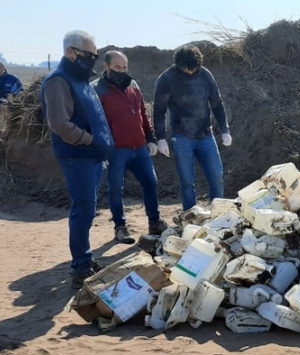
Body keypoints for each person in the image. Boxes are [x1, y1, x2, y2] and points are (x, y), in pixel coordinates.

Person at [41, 30, 114, 290]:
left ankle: (85, 260)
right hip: (77, 156)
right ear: (71, 52)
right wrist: (89, 140)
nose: (93, 59)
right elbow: (60, 123)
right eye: (89, 55)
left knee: (88, 209)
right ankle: (80, 269)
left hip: (91, 156)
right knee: (83, 209)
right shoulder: (58, 81)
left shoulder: (80, 78)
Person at [92, 50, 167, 244]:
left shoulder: (133, 85)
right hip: (116, 150)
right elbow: (95, 123)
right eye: (117, 67)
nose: (122, 71)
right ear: (106, 67)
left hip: (139, 147)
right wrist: (102, 150)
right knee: (115, 188)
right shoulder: (97, 89)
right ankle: (120, 227)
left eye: (124, 67)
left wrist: (150, 138)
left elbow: (142, 113)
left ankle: (155, 222)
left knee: (151, 182)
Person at [153, 44, 232, 211]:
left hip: (205, 134)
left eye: (193, 69)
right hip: (181, 136)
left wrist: (225, 130)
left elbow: (217, 103)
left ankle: (218, 213)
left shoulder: (205, 75)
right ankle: (190, 214)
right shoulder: (166, 79)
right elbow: (159, 109)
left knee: (216, 176)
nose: (190, 72)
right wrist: (160, 137)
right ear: (178, 64)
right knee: (187, 180)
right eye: (186, 69)